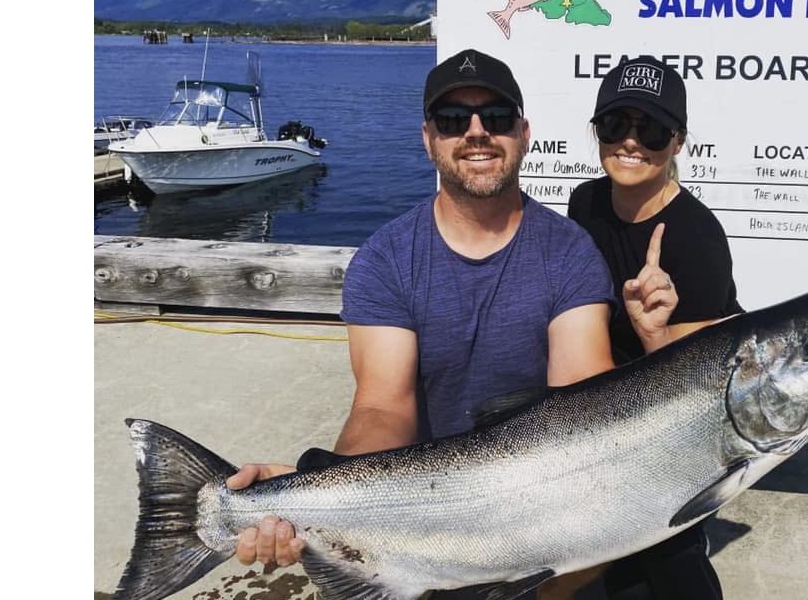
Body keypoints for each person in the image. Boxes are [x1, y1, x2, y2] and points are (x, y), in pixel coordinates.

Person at [223, 48, 680, 599]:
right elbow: (382, 406)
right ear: (428, 139)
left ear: (525, 133)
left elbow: (580, 400)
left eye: (497, 117)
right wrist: (319, 493)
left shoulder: (569, 253)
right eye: (452, 120)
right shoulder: (386, 259)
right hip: (424, 519)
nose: (477, 132)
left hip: (547, 512)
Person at [567, 56, 744, 600]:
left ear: (678, 141)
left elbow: (707, 395)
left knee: (665, 558)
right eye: (616, 125)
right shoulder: (585, 201)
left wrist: (653, 335)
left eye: (653, 128)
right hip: (592, 405)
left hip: (664, 429)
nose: (631, 142)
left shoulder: (698, 239)